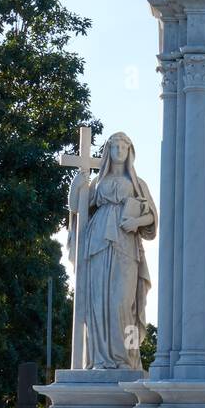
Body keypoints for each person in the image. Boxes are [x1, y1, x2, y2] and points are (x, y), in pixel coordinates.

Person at [68, 132, 157, 369]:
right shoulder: (98, 183)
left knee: (122, 301)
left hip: (126, 243)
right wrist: (76, 186)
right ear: (109, 150)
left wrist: (135, 223)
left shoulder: (138, 185)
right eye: (115, 146)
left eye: (123, 146)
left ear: (130, 152)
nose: (119, 150)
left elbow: (151, 216)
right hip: (97, 242)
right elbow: (77, 209)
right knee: (99, 301)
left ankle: (127, 357)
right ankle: (100, 359)